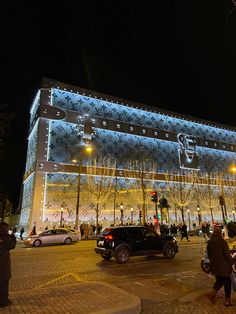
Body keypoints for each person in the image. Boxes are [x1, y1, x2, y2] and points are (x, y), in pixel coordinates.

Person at [207, 227, 235, 306]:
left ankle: (213, 295)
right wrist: (232, 262)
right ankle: (227, 300)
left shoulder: (210, 242)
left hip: (215, 266)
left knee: (219, 280)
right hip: (224, 267)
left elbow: (209, 255)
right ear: (220, 233)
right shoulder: (222, 242)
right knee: (227, 282)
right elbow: (227, 255)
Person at [0, 222, 16, 308]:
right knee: (4, 284)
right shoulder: (5, 237)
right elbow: (12, 245)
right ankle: (4, 301)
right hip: (3, 266)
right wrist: (12, 235)